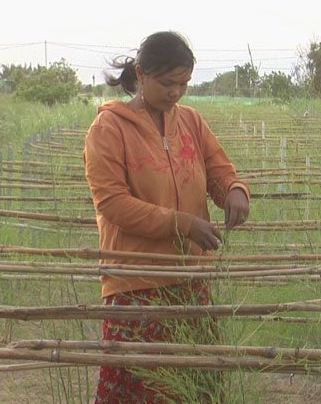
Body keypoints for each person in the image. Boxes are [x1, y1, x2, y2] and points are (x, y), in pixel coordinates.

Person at [83, 31, 250, 403]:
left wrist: (234, 192)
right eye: (167, 82)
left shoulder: (191, 122)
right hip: (135, 281)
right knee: (139, 388)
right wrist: (183, 223)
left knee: (195, 384)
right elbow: (112, 203)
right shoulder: (108, 129)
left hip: (192, 279)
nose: (176, 92)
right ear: (140, 75)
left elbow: (219, 170)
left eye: (184, 83)